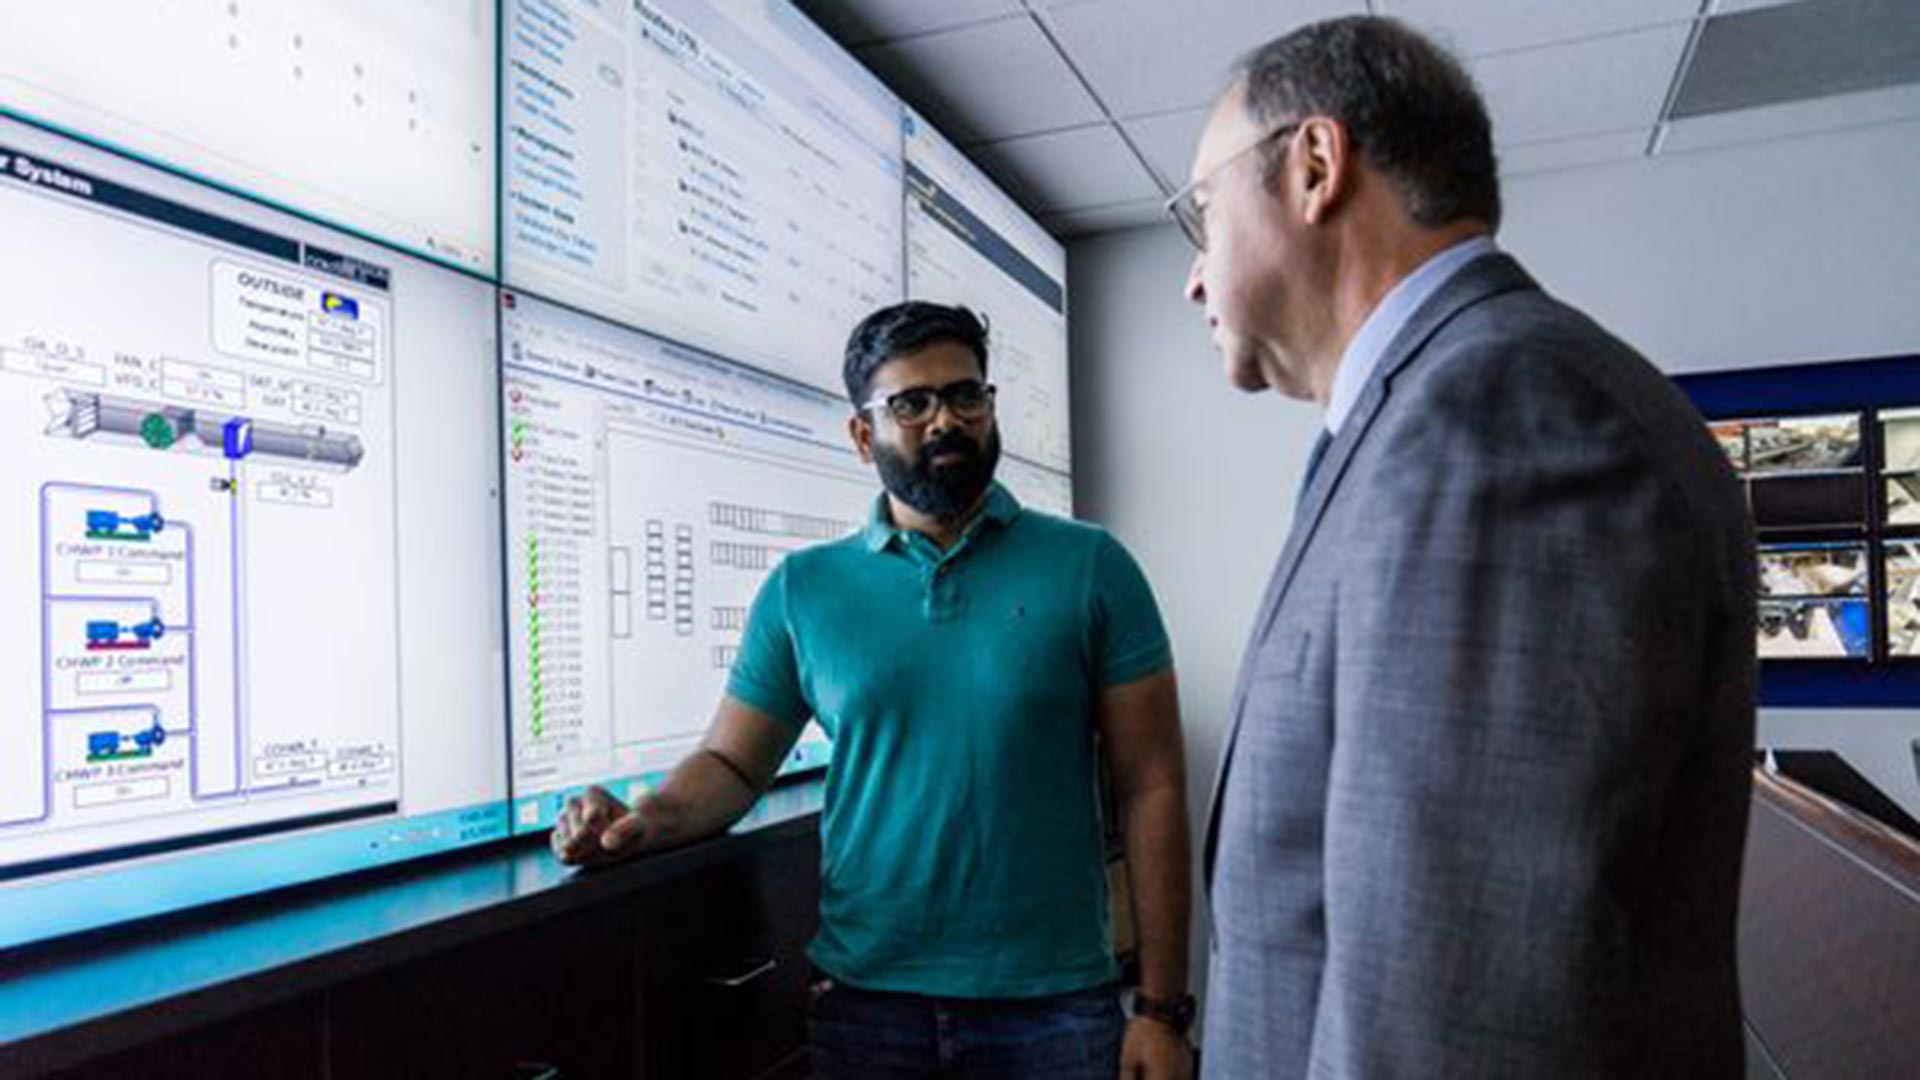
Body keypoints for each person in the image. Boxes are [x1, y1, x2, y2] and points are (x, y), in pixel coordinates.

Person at [1175, 16, 1757, 1078]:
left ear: (1314, 165)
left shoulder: (1504, 412)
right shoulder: (1440, 412)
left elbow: (1453, 1017)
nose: (1195, 278)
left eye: (1201, 214)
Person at [553, 301, 1197, 1079]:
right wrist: (641, 821)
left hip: (1055, 1007)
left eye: (966, 395)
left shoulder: (1093, 566)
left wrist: (1162, 1009)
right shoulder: (804, 588)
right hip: (868, 1009)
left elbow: (1153, 785)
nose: (944, 421)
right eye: (911, 403)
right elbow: (731, 764)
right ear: (864, 436)